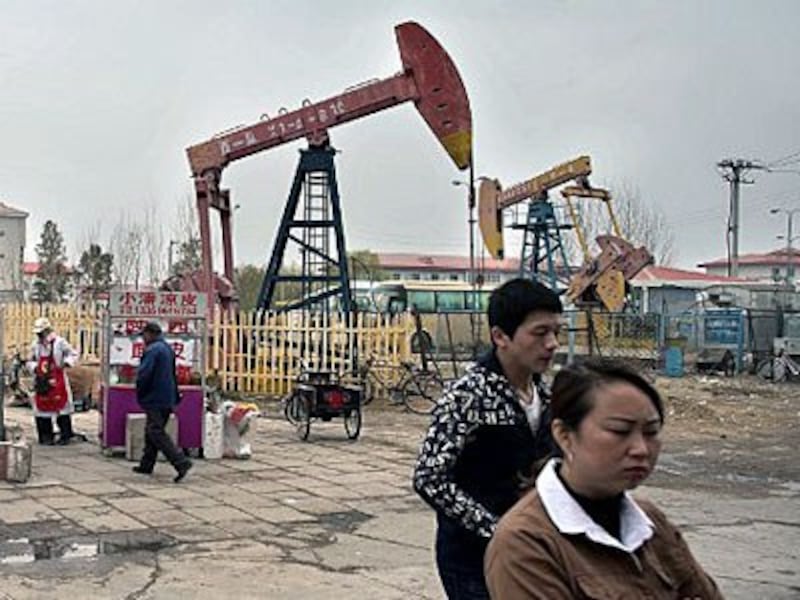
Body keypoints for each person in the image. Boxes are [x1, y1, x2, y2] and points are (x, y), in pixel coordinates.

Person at [484, 359, 724, 599]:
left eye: (651, 432)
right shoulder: (525, 541)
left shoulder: (652, 524)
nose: (641, 449)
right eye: (620, 431)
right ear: (564, 435)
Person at [413, 278, 563, 599]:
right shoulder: (468, 396)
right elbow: (429, 478)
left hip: (533, 554)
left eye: (556, 333)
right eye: (540, 333)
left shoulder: (547, 396)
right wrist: (494, 529)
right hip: (472, 559)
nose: (552, 344)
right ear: (500, 336)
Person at [132, 321, 192, 483]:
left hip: (155, 397)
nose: (143, 339)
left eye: (144, 335)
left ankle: (180, 462)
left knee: (155, 431)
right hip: (168, 397)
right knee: (151, 430)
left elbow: (144, 374)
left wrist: (139, 389)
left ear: (149, 334)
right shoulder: (166, 348)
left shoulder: (152, 350)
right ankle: (147, 464)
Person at [27, 317, 78, 445]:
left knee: (62, 407)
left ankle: (65, 435)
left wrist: (66, 363)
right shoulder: (35, 345)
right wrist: (35, 368)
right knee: (41, 407)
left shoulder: (59, 342)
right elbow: (30, 360)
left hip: (58, 379)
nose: (40, 335)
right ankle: (45, 435)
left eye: (42, 332)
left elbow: (73, 354)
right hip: (42, 380)